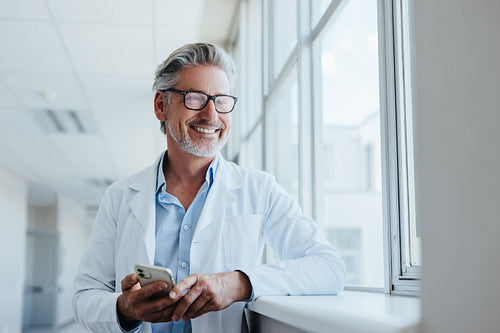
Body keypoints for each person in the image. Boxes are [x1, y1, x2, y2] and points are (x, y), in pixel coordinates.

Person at [73, 43, 345, 333]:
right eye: (195, 98)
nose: (212, 115)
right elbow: (84, 298)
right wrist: (125, 308)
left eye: (222, 100)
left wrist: (239, 283)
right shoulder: (120, 197)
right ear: (161, 105)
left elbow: (328, 268)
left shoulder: (259, 189)